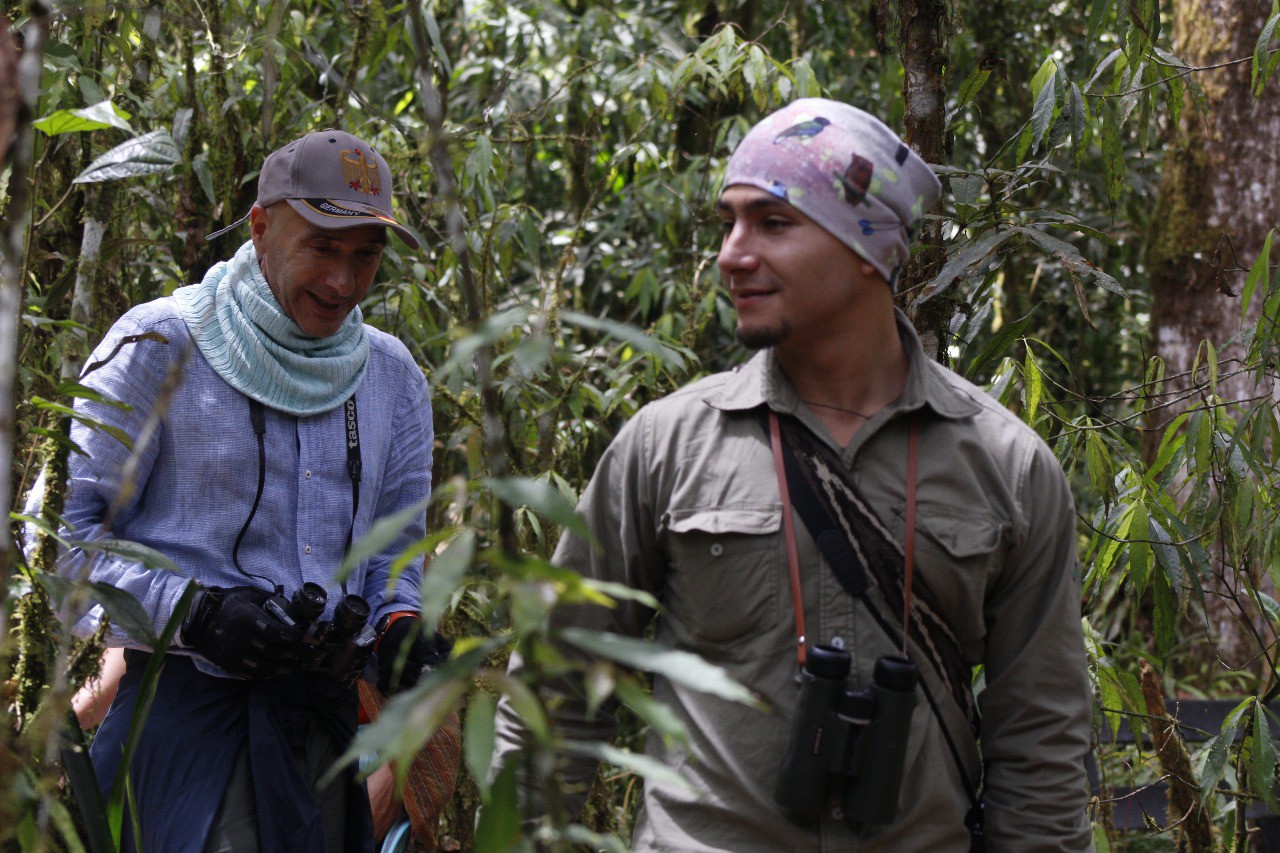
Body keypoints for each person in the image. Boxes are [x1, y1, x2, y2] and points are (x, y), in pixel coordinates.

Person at [492, 99, 1092, 850]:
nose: (732, 254)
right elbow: (556, 689)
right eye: (729, 222)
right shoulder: (667, 446)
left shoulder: (1006, 467)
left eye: (774, 223)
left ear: (868, 249)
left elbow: (1042, 739)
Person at [59, 129, 449, 852]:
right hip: (180, 719)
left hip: (321, 732)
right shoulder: (157, 345)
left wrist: (399, 629)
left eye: (365, 256)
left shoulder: (394, 380)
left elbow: (395, 558)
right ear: (261, 227)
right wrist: (193, 613)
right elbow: (56, 541)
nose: (342, 281)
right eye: (323, 248)